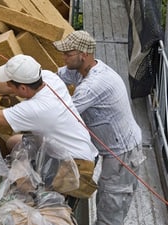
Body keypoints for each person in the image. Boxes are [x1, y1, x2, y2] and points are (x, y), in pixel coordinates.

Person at [0, 54, 98, 201]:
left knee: (20, 181)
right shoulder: (48, 78)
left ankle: (48, 196)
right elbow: (8, 88)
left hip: (76, 168)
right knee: (13, 142)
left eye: (11, 83)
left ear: (23, 89)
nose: (8, 85)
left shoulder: (36, 109)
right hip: (73, 149)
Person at [53, 30, 146, 225]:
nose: (63, 58)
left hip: (123, 155)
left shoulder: (94, 85)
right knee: (105, 199)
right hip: (110, 147)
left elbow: (64, 115)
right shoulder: (81, 69)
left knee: (110, 209)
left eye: (68, 54)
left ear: (83, 55)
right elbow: (56, 77)